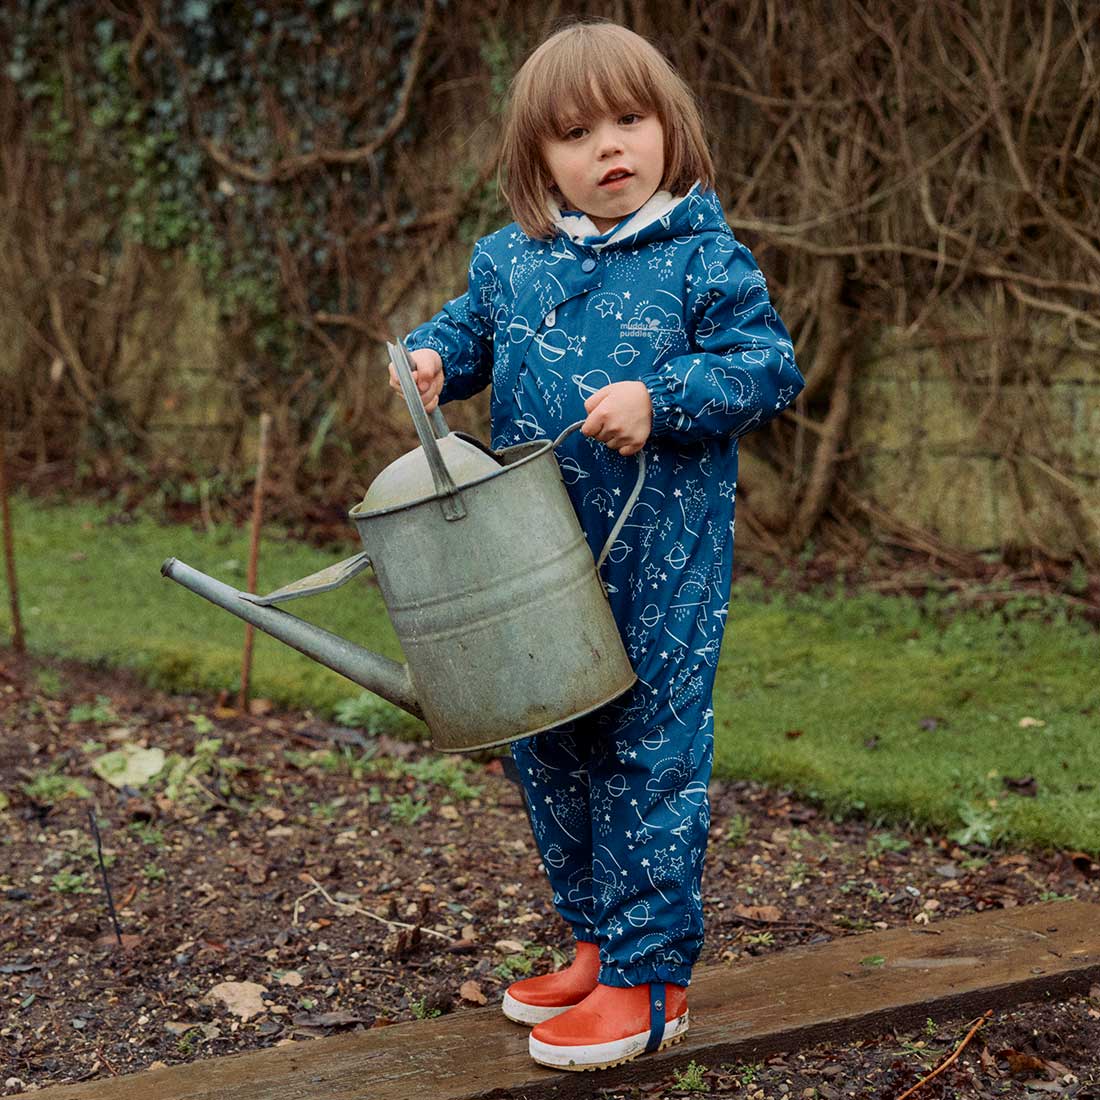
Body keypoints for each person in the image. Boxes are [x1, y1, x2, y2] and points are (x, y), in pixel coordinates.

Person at [390, 19, 805, 1071]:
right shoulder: (511, 261)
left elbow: (765, 369)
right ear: (538, 160)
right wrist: (431, 361)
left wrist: (660, 397)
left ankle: (651, 978)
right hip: (529, 559)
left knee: (645, 751)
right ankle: (593, 943)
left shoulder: (703, 261)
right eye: (575, 133)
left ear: (670, 126)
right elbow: (460, 334)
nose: (608, 146)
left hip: (658, 563)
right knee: (549, 742)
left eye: (630, 119)